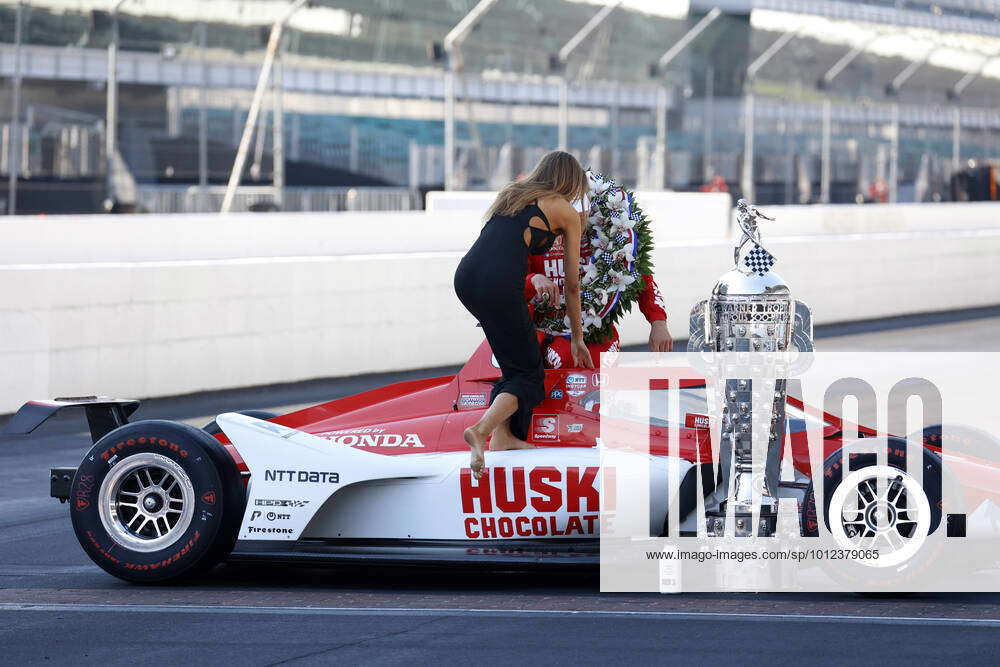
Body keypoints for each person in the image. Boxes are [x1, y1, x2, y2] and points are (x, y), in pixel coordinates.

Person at [454, 151, 594, 478]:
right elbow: (572, 286)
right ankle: (482, 430)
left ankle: (504, 438)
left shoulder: (513, 196)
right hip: (500, 284)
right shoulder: (565, 211)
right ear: (572, 182)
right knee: (530, 375)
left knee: (512, 362)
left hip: (467, 278)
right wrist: (577, 337)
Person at [524, 228, 671, 369]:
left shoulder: (611, 233)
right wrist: (533, 279)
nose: (580, 212)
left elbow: (639, 277)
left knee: (601, 366)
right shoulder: (535, 230)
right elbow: (507, 283)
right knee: (567, 361)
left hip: (597, 332)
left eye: (584, 205)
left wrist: (658, 323)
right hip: (552, 332)